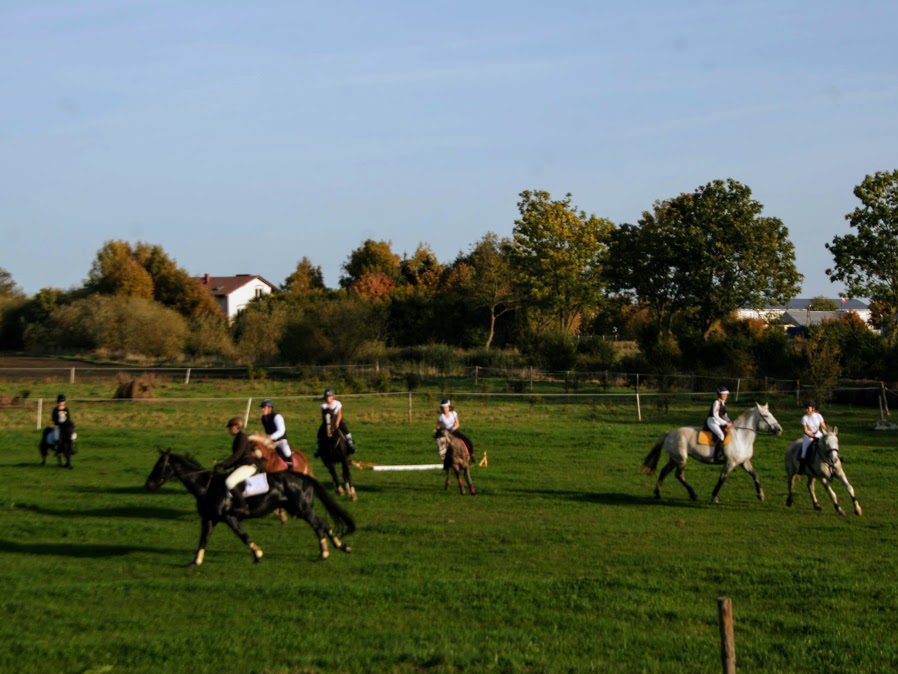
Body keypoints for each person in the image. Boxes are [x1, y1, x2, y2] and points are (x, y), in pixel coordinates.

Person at [219, 416, 264, 514]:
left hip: (249, 466)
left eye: (230, 427)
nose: (229, 430)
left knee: (230, 482)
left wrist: (223, 464)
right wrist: (224, 466)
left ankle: (244, 506)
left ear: (236, 427)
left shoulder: (242, 437)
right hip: (243, 465)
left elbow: (237, 455)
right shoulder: (239, 437)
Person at [318, 389, 356, 454]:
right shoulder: (323, 405)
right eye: (326, 397)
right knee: (319, 433)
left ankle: (350, 446)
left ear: (333, 397)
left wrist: (337, 422)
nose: (328, 398)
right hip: (327, 421)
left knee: (347, 431)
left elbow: (339, 414)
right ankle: (319, 449)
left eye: (329, 396)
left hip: (337, 420)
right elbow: (323, 416)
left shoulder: (337, 403)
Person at [259, 398, 293, 470]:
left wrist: (271, 437)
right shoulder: (263, 418)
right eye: (262, 408)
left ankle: (291, 468)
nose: (262, 410)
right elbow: (267, 431)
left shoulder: (277, 417)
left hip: (280, 441)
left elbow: (281, 431)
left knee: (286, 451)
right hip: (270, 441)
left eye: (264, 408)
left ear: (270, 408)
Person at [799, 400, 827, 474]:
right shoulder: (804, 418)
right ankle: (801, 469)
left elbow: (823, 426)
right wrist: (812, 436)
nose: (806, 410)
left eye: (808, 408)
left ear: (813, 408)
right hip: (808, 437)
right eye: (805, 408)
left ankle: (836, 459)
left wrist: (829, 433)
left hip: (819, 434)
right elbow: (805, 430)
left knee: (828, 445)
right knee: (804, 453)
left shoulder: (819, 416)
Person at [706, 386, 732, 462]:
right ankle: (717, 456)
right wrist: (725, 423)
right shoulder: (716, 402)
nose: (725, 396)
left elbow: (724, 415)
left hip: (719, 421)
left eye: (726, 395)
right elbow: (715, 415)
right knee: (721, 435)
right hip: (712, 421)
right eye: (723, 394)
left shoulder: (723, 403)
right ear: (719, 395)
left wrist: (729, 421)